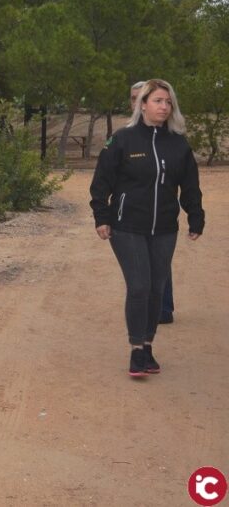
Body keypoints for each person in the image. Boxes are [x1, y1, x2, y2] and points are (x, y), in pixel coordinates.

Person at [91, 78, 203, 377]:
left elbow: (190, 185)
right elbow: (101, 182)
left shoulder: (178, 144)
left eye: (168, 102)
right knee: (139, 286)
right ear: (142, 105)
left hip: (165, 228)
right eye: (157, 101)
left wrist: (195, 216)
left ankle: (148, 344)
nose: (164, 107)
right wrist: (101, 217)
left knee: (156, 289)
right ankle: (136, 349)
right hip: (127, 226)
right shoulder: (123, 140)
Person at [129, 81, 176, 325]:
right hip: (134, 216)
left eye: (140, 97)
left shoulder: (169, 138)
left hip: (162, 215)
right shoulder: (126, 137)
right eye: (133, 98)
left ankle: (162, 308)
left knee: (159, 263)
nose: (136, 102)